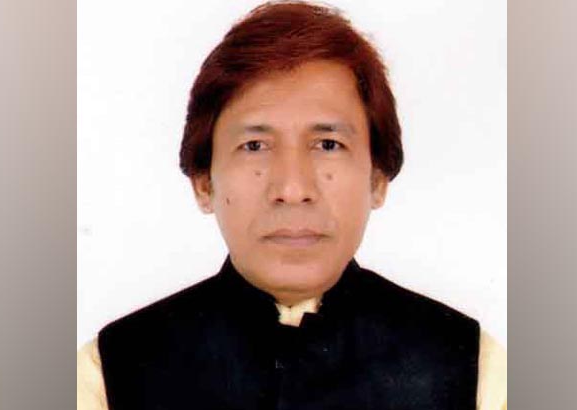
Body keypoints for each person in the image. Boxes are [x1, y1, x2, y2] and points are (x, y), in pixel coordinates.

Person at [77, 1, 507, 409]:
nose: (293, 188)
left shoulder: (475, 373)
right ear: (204, 182)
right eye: (255, 146)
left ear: (377, 179)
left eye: (328, 144)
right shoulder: (107, 375)